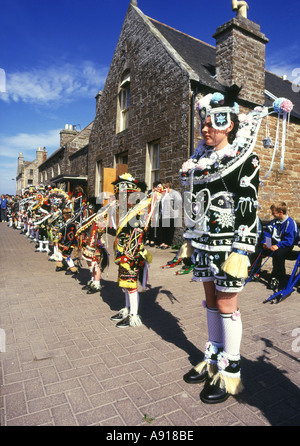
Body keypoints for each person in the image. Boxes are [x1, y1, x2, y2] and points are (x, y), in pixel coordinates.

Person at [180, 85, 262, 404]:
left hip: (230, 247)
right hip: (204, 244)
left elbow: (249, 207)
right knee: (211, 301)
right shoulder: (199, 161)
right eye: (203, 123)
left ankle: (230, 373)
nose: (205, 129)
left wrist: (240, 250)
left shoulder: (245, 159)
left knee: (227, 304)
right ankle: (212, 359)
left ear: (228, 123)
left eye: (212, 123)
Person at [112, 173, 153, 328]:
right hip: (123, 253)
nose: (121, 199)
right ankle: (126, 309)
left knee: (131, 284)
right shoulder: (128, 211)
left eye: (125, 196)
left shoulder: (139, 211)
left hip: (131, 254)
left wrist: (127, 255)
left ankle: (134, 315)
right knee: (125, 285)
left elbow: (137, 235)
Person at [262, 202, 299, 290]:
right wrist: (266, 243)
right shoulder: (273, 222)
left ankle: (278, 277)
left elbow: (289, 240)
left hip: (286, 244)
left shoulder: (290, 223)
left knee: (278, 254)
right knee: (258, 249)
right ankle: (254, 271)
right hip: (275, 244)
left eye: (273, 213)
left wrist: (278, 246)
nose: (272, 214)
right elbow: (267, 233)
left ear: (281, 212)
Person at [55, 207, 78, 275]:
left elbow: (70, 237)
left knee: (66, 255)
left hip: (68, 243)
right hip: (63, 242)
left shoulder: (71, 224)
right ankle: (60, 264)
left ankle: (73, 268)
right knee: (60, 252)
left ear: (64, 216)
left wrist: (67, 245)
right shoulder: (66, 222)